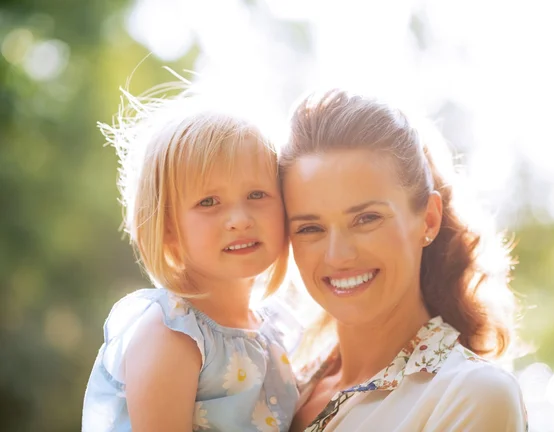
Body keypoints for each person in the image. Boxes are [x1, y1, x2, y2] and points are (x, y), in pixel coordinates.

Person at [280, 89, 528, 432]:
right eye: (310, 227)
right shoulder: (279, 387)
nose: (338, 255)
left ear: (428, 220)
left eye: (366, 218)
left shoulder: (470, 396)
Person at [82, 83, 299, 431]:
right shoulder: (173, 334)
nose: (240, 219)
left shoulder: (277, 328)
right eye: (209, 202)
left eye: (257, 194)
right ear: (167, 227)